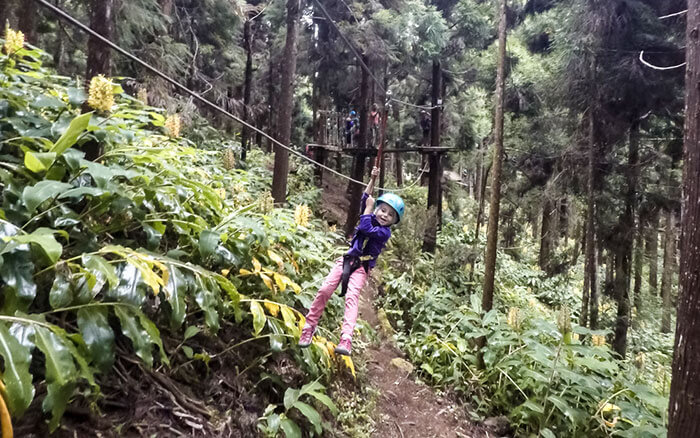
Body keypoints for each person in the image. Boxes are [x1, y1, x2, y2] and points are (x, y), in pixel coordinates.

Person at [298, 167, 405, 356]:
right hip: (347, 260)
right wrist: (372, 179)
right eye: (383, 210)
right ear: (378, 209)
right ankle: (309, 326)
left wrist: (370, 208)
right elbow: (366, 198)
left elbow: (364, 226)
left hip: (362, 267)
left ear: (393, 221)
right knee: (324, 289)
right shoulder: (371, 214)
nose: (384, 215)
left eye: (390, 215)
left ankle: (346, 339)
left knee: (351, 297)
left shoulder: (383, 232)